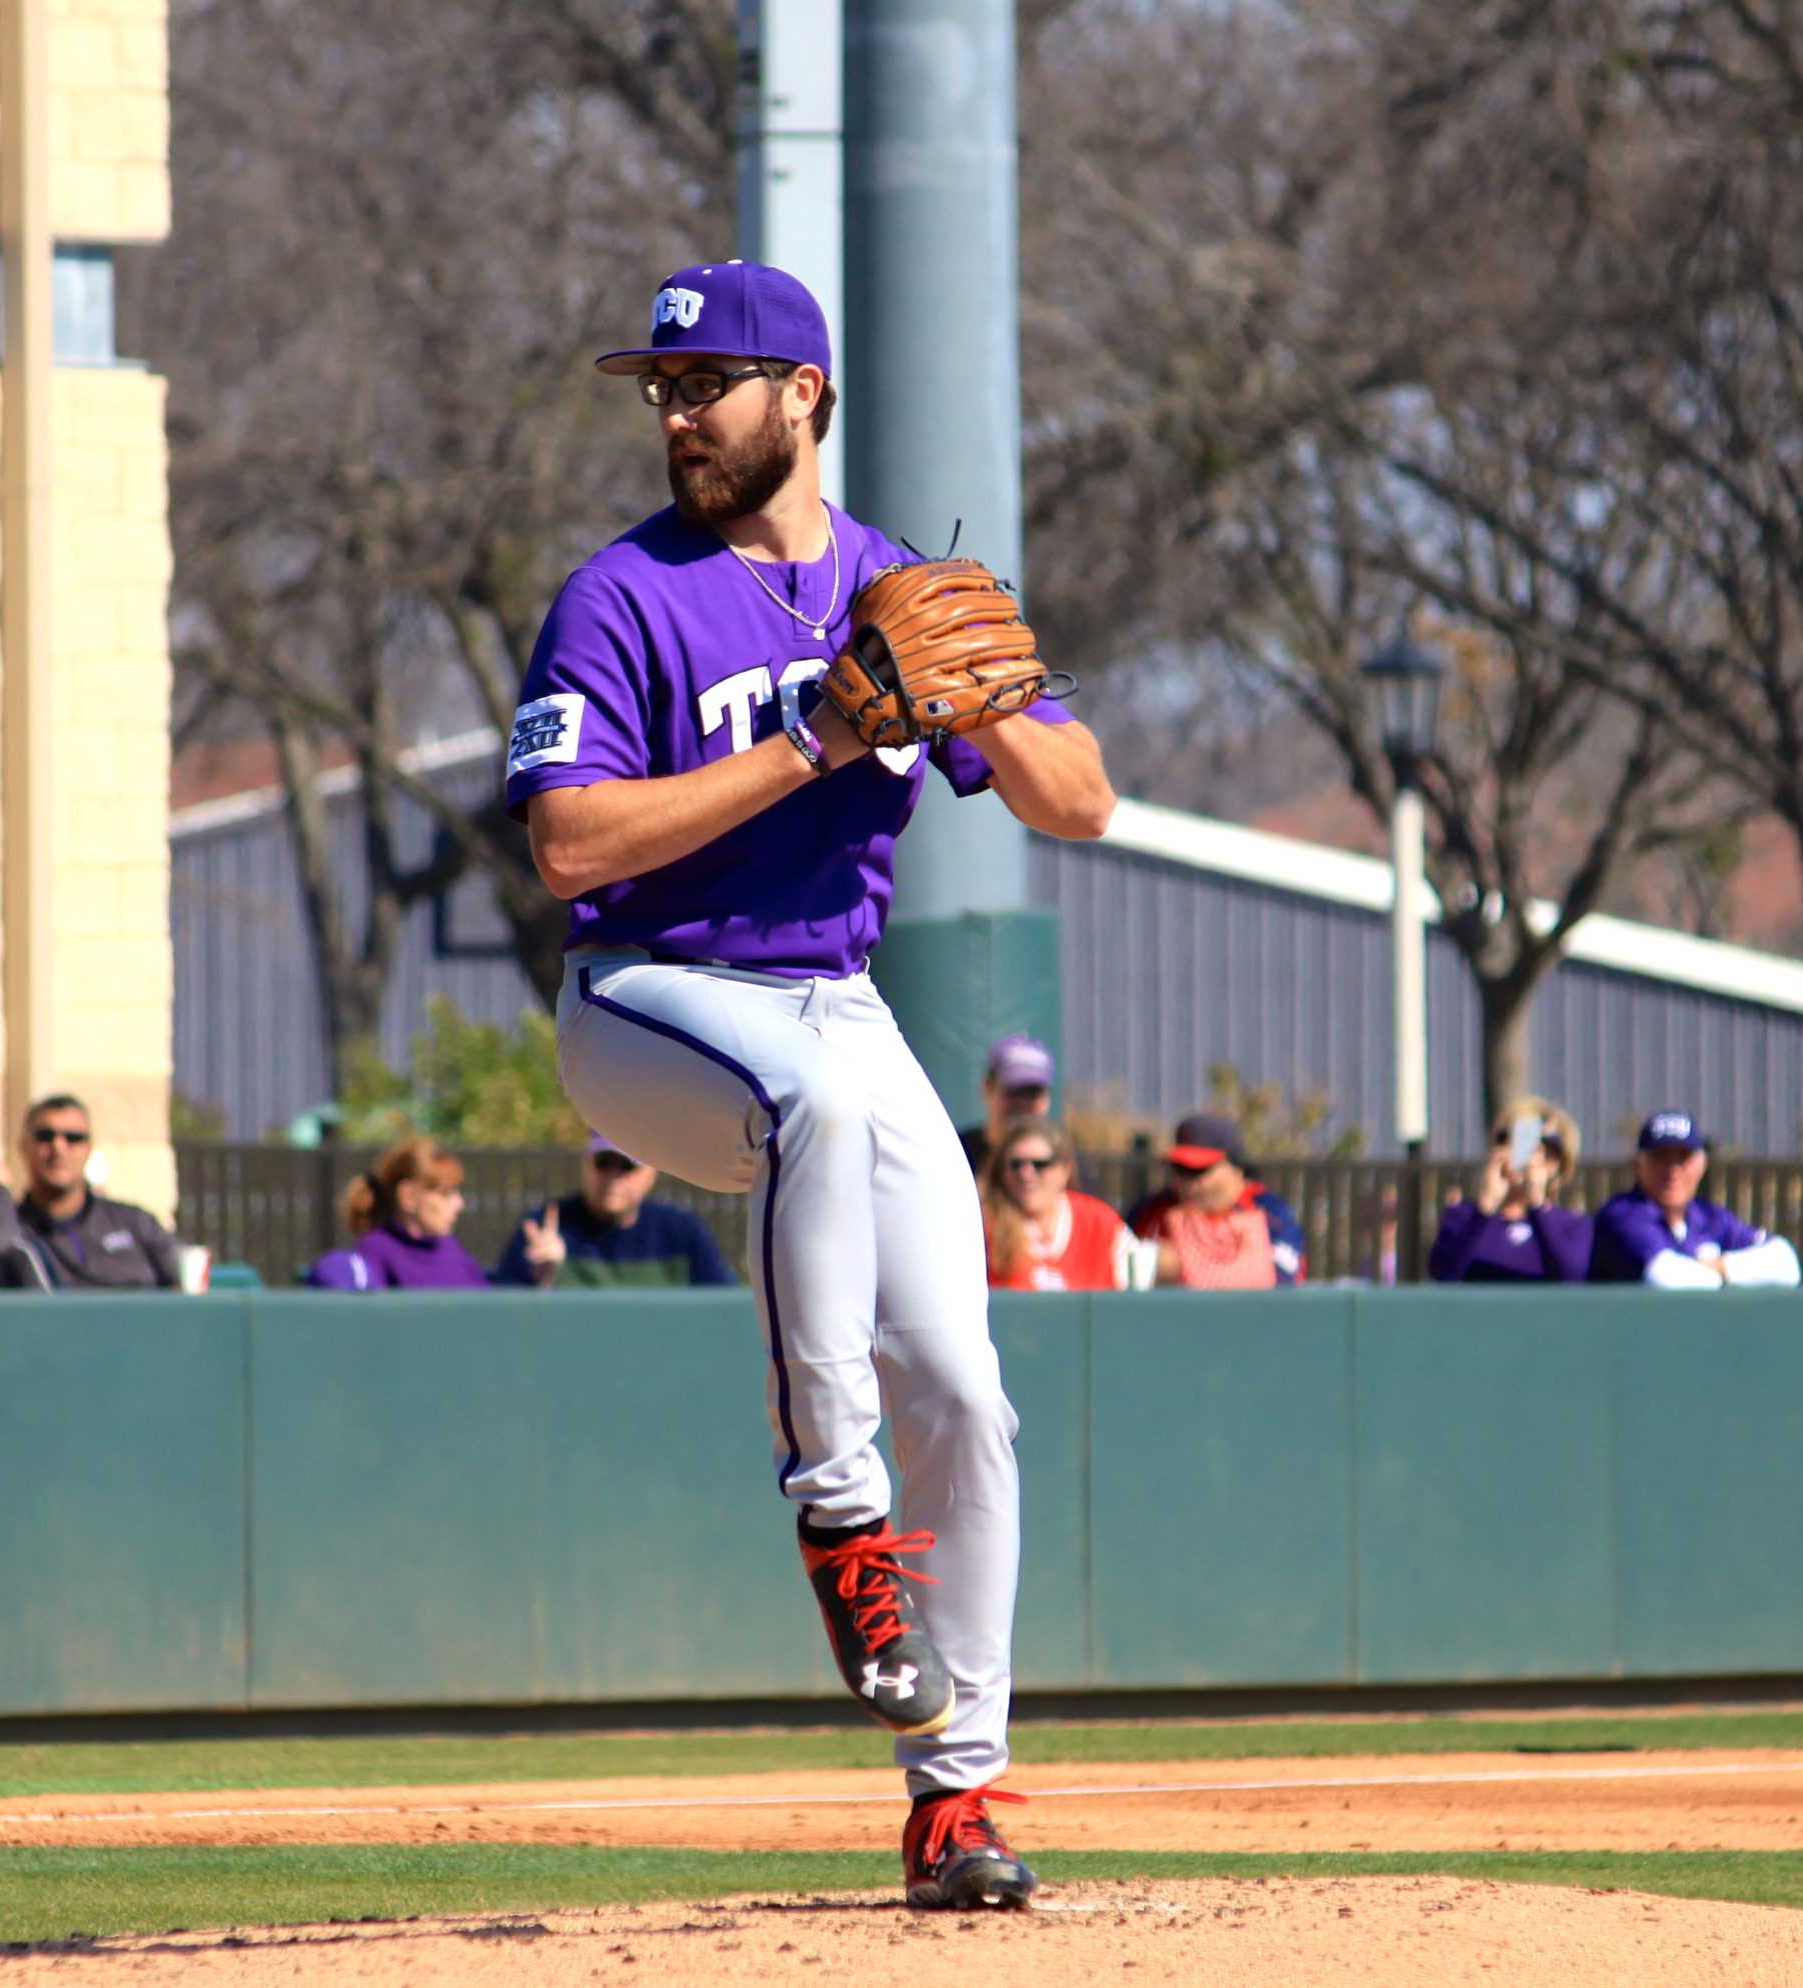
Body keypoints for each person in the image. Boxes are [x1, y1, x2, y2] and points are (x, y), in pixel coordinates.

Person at [506, 260, 1113, 1910]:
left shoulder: (900, 583)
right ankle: (841, 1517)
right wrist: (810, 743)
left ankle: (957, 1798)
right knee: (816, 1105)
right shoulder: (621, 596)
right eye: (663, 388)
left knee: (973, 1404)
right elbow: (566, 844)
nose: (680, 411)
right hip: (647, 994)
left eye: (712, 382)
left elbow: (1083, 801)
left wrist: (983, 689)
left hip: (833, 1003)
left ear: (809, 397)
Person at [0, 1093, 182, 1291]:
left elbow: (184, 1284)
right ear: (24, 1146)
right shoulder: (14, 1230)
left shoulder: (134, 1222)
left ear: (89, 1148)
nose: (59, 1147)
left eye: (73, 1137)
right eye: (45, 1136)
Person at [1586, 1112, 1802, 1287]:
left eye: (1683, 1158)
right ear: (1638, 1166)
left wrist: (1722, 1267)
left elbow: (1786, 1265)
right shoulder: (1623, 1215)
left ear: (1702, 1166)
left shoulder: (1710, 1217)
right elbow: (1665, 1280)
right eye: (1660, 1158)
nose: (1673, 1171)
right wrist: (1732, 1275)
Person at [494, 1135, 737, 1290]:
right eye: (603, 1164)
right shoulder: (544, 1227)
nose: (613, 1177)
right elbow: (504, 1315)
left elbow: (724, 1309)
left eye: (627, 1167)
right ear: (586, 1166)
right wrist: (541, 1281)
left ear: (652, 1174)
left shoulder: (682, 1233)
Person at [1124, 1113, 1308, 1288]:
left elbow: (1282, 1283)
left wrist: (1181, 1264)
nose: (1189, 1182)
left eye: (1199, 1170)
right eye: (1181, 1169)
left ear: (1236, 1169)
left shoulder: (1269, 1212)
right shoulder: (1152, 1210)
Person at [1428, 1099, 1592, 1284]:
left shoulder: (1572, 1225)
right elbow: (1442, 1273)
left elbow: (1571, 1279)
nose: (1524, 1156)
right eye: (1510, 1141)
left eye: (1543, 1149)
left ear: (1557, 1163)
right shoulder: (1464, 1217)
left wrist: (1537, 1205)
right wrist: (1484, 1208)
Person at [982, 1115, 1152, 1291]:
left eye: (1039, 1164)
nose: (1026, 1174)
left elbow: (1142, 1278)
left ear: (1065, 1169)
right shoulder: (985, 1225)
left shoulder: (1098, 1221)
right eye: (1016, 1164)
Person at [303, 1138, 492, 1292]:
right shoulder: (376, 1250)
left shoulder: (451, 1249)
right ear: (408, 1196)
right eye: (445, 1193)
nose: (459, 1203)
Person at [960, 1035, 1055, 1179]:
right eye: (1014, 1091)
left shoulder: (1061, 1157)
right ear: (987, 1089)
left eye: (1032, 1093)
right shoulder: (955, 1153)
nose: (1023, 1104)